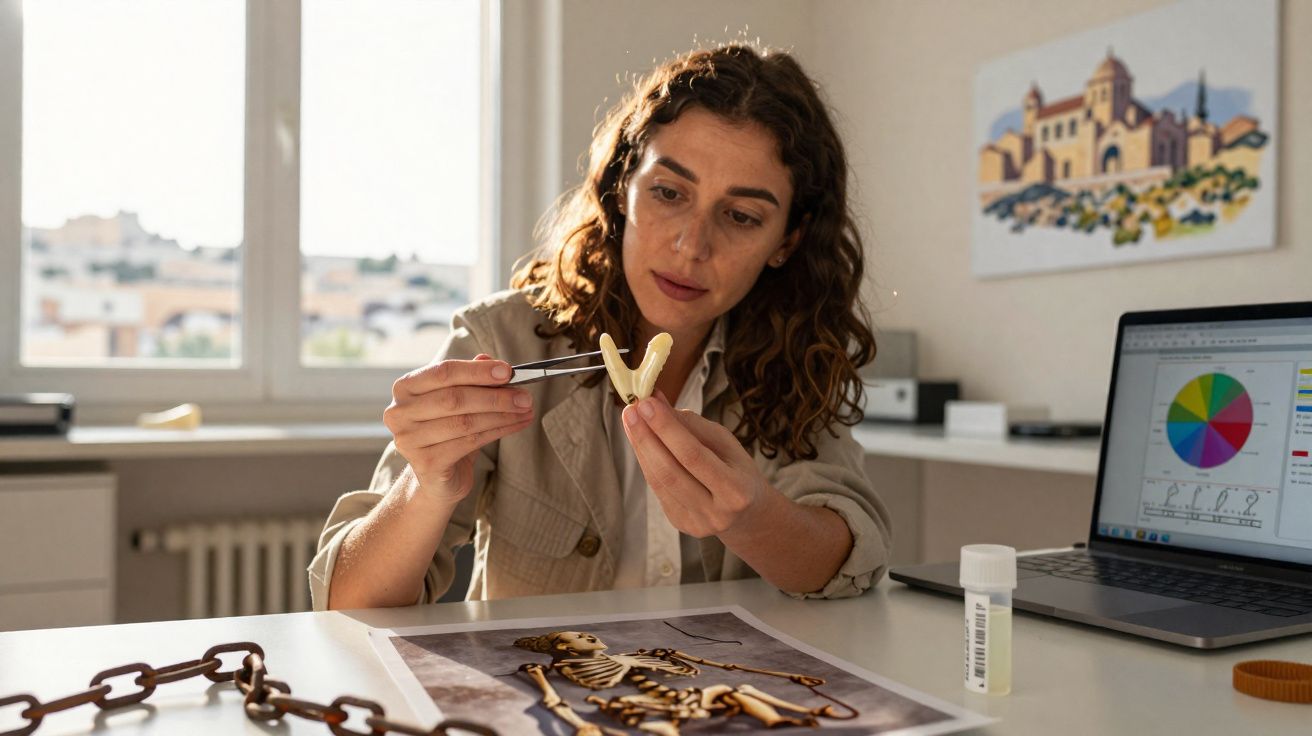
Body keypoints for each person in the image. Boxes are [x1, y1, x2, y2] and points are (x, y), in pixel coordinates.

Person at [309, 44, 891, 609]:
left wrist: (752, 517)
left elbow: (847, 559)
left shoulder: (798, 355)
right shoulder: (501, 341)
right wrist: (426, 485)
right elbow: (348, 602)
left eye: (740, 216)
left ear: (787, 241)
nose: (692, 245)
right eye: (668, 193)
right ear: (621, 190)